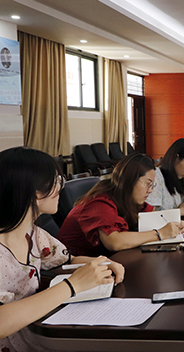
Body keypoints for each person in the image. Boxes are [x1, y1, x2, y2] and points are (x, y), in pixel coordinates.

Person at [0, 147, 124, 349]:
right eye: (56, 181)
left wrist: (101, 264)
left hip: (37, 337)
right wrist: (72, 286)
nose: (61, 188)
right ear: (35, 193)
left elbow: (68, 260)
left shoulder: (34, 235)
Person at [59, 154, 184, 256]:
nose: (150, 190)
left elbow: (152, 215)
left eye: (152, 185)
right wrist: (159, 233)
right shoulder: (99, 202)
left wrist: (174, 222)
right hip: (73, 264)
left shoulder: (126, 197)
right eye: (148, 184)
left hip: (104, 260)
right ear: (130, 180)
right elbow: (114, 242)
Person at [146, 138, 184, 216]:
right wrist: (181, 211)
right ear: (176, 158)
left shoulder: (181, 178)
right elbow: (148, 215)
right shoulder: (156, 177)